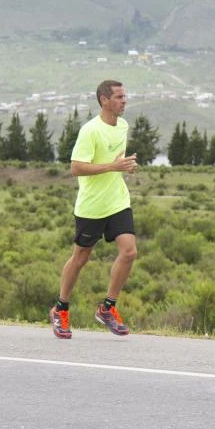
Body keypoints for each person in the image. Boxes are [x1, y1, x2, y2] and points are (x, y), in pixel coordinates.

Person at [50, 79, 139, 338]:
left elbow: (116, 162)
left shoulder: (122, 126)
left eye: (125, 96)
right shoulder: (90, 131)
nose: (124, 101)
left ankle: (107, 308)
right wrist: (112, 167)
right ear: (104, 100)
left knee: (129, 252)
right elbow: (77, 167)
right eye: (119, 97)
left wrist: (125, 166)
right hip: (91, 206)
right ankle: (60, 309)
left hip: (117, 201)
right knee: (81, 258)